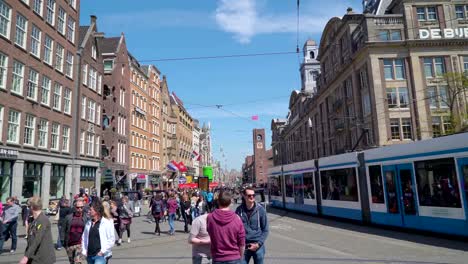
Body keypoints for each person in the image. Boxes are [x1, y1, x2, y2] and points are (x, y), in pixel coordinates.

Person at [207, 191, 245, 264]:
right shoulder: (237, 218)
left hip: (218, 257)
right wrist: (241, 256)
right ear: (230, 202)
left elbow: (210, 233)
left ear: (218, 202)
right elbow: (242, 242)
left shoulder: (210, 217)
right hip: (234, 257)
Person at [236, 187, 269, 264]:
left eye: (253, 195)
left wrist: (258, 244)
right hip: (243, 246)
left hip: (257, 246)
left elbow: (265, 229)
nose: (252, 197)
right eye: (249, 195)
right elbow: (235, 228)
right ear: (244, 196)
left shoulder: (260, 210)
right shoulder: (239, 210)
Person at [19, 196, 55, 264]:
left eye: (28, 206)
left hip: (42, 259)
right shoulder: (34, 220)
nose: (28, 208)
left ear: (32, 207)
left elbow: (37, 239)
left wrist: (26, 257)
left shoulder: (42, 220)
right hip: (33, 256)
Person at [63, 198, 88, 264]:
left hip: (80, 244)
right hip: (70, 244)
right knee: (72, 262)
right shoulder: (68, 217)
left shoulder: (86, 217)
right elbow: (63, 230)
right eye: (78, 207)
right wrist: (63, 242)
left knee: (77, 261)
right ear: (74, 207)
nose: (80, 209)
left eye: (81, 207)